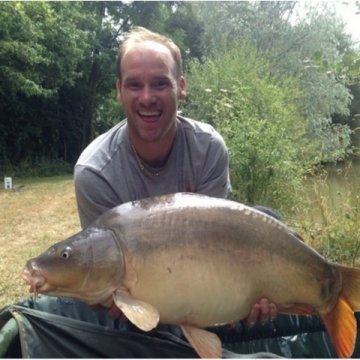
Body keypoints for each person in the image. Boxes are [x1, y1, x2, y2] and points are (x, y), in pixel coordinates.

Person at [74, 26, 277, 330]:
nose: (147, 98)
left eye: (159, 83)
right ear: (118, 90)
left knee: (267, 218)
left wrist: (238, 301)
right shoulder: (95, 171)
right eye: (134, 85)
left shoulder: (207, 148)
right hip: (137, 308)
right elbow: (99, 277)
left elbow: (220, 245)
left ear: (180, 87)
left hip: (200, 276)